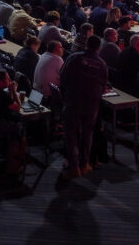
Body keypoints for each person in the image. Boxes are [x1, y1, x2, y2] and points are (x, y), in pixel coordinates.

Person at [59, 35, 108, 178]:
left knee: (71, 133)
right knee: (87, 133)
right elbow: (104, 84)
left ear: (86, 44)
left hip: (73, 100)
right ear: (99, 47)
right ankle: (85, 164)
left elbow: (62, 77)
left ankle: (74, 167)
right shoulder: (102, 64)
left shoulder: (74, 58)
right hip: (91, 103)